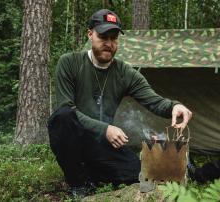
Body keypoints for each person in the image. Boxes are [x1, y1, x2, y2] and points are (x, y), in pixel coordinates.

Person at [47, 9, 192, 197]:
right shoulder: (70, 63)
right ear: (90, 34)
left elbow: (155, 101)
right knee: (62, 117)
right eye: (103, 37)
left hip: (101, 145)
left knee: (137, 173)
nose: (109, 44)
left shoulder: (125, 73)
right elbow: (66, 109)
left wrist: (175, 106)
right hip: (74, 139)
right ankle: (78, 183)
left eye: (114, 38)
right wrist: (105, 129)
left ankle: (94, 174)